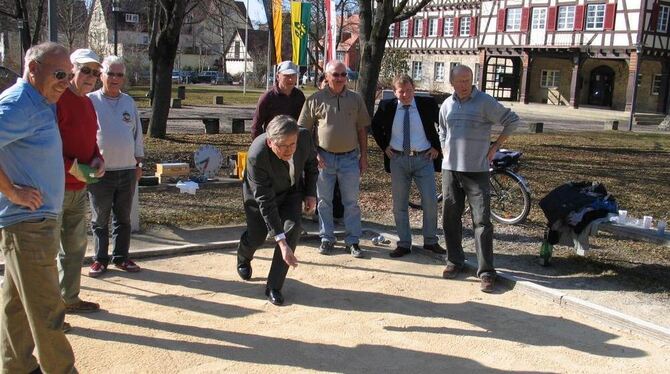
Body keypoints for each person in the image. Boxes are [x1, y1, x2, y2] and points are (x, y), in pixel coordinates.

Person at [0, 41, 76, 373]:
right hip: (28, 224)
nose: (66, 81)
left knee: (15, 307)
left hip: (34, 223)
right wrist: (12, 191)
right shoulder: (21, 104)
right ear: (33, 69)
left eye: (69, 75)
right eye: (60, 74)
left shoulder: (40, 102)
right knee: (48, 311)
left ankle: (16, 367)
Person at [438, 65, 520, 293]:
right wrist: (445, 149)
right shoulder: (447, 104)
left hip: (477, 171)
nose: (464, 84)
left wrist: (496, 146)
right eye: (460, 81)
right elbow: (442, 130)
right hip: (451, 171)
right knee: (450, 218)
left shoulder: (485, 102)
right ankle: (454, 261)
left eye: (468, 80)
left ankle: (486, 272)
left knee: (482, 222)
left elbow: (512, 120)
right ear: (452, 83)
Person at [236, 115, 318, 306]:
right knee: (257, 235)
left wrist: (310, 193)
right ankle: (243, 256)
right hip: (261, 196)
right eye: (283, 146)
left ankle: (274, 286)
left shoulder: (303, 137)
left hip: (291, 192)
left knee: (293, 228)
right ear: (270, 141)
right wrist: (280, 243)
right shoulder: (257, 155)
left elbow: (311, 164)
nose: (289, 150)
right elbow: (265, 201)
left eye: (292, 144)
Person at [298, 60, 370, 258]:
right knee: (324, 202)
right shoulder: (314, 99)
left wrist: (364, 156)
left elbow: (362, 129)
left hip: (350, 159)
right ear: (327, 77)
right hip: (323, 158)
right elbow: (303, 131)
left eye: (343, 75)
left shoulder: (355, 99)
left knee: (351, 202)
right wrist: (315, 155)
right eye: (335, 75)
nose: (340, 78)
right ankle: (326, 238)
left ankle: (353, 241)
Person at [371, 74, 444, 258]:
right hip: (398, 160)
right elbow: (375, 125)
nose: (405, 95)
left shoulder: (427, 104)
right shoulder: (387, 107)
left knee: (430, 201)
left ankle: (430, 241)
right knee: (399, 205)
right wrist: (384, 147)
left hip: (423, 159)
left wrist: (437, 147)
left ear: (414, 89)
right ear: (395, 92)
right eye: (401, 92)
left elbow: (444, 125)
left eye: (409, 90)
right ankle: (404, 243)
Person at [56, 48, 106, 314]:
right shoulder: (57, 99)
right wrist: (71, 167)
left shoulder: (88, 103)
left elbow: (91, 142)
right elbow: (46, 147)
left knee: (75, 248)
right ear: (72, 69)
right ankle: (48, 311)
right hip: (54, 188)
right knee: (47, 254)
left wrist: (97, 159)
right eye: (85, 70)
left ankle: (69, 299)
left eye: (95, 72)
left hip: (79, 188)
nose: (91, 76)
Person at [87, 55, 144, 277]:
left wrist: (140, 162)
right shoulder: (91, 100)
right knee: (99, 218)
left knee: (123, 218)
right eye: (110, 73)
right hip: (100, 172)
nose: (115, 78)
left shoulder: (129, 102)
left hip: (127, 170)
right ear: (101, 74)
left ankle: (121, 257)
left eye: (119, 74)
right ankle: (100, 259)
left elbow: (137, 135)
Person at [250, 60, 305, 139]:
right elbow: (256, 126)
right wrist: (262, 145)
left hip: (292, 144)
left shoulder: (299, 96)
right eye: (287, 76)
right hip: (273, 142)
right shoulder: (267, 97)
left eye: (293, 75)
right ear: (278, 76)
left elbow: (302, 123)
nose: (290, 79)